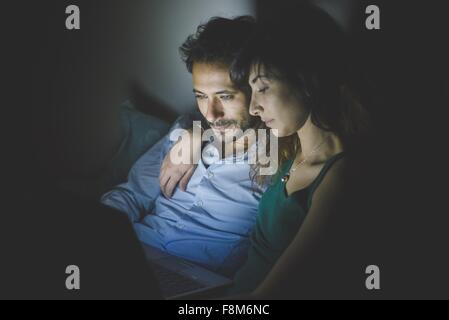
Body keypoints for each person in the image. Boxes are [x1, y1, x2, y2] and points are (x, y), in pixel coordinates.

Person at [101, 16, 268, 276]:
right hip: (132, 252)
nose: (211, 113)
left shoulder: (277, 157)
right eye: (201, 96)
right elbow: (131, 195)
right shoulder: (183, 131)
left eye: (225, 96)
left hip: (197, 278)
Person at [226, 5, 372, 298]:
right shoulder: (288, 148)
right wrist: (190, 136)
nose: (254, 107)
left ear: (306, 80)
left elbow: (278, 291)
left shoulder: (339, 177)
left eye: (263, 89)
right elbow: (220, 131)